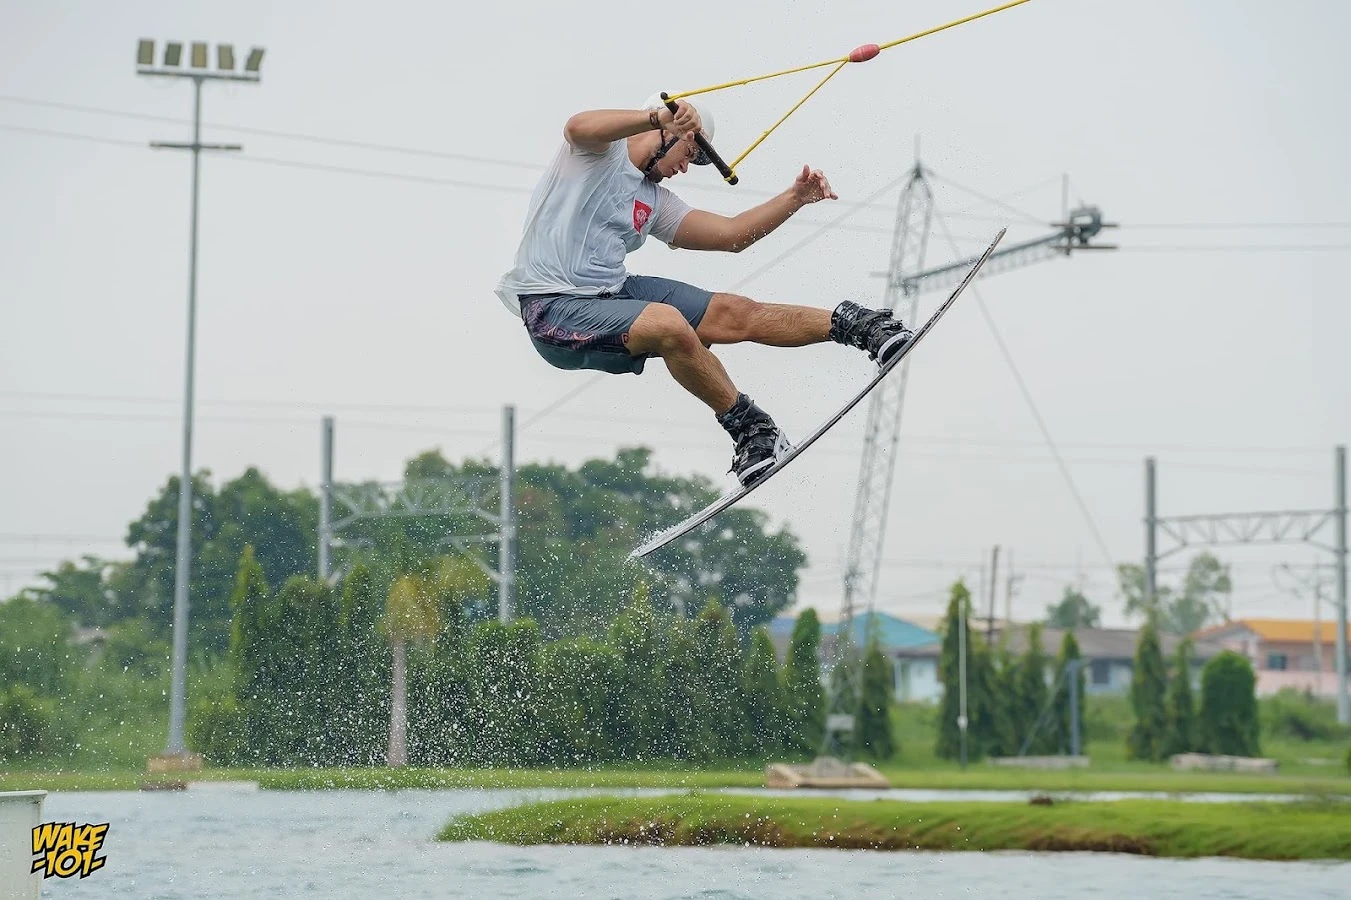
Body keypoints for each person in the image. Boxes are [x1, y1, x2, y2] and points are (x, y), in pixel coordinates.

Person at [495, 94, 915, 488]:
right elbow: (577, 126)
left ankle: (864, 328)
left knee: (732, 312)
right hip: (553, 308)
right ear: (667, 132)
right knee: (668, 323)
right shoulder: (596, 155)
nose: (685, 167)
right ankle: (751, 429)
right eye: (689, 154)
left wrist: (796, 198)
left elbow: (732, 235)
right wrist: (658, 116)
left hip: (612, 292)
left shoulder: (654, 200)